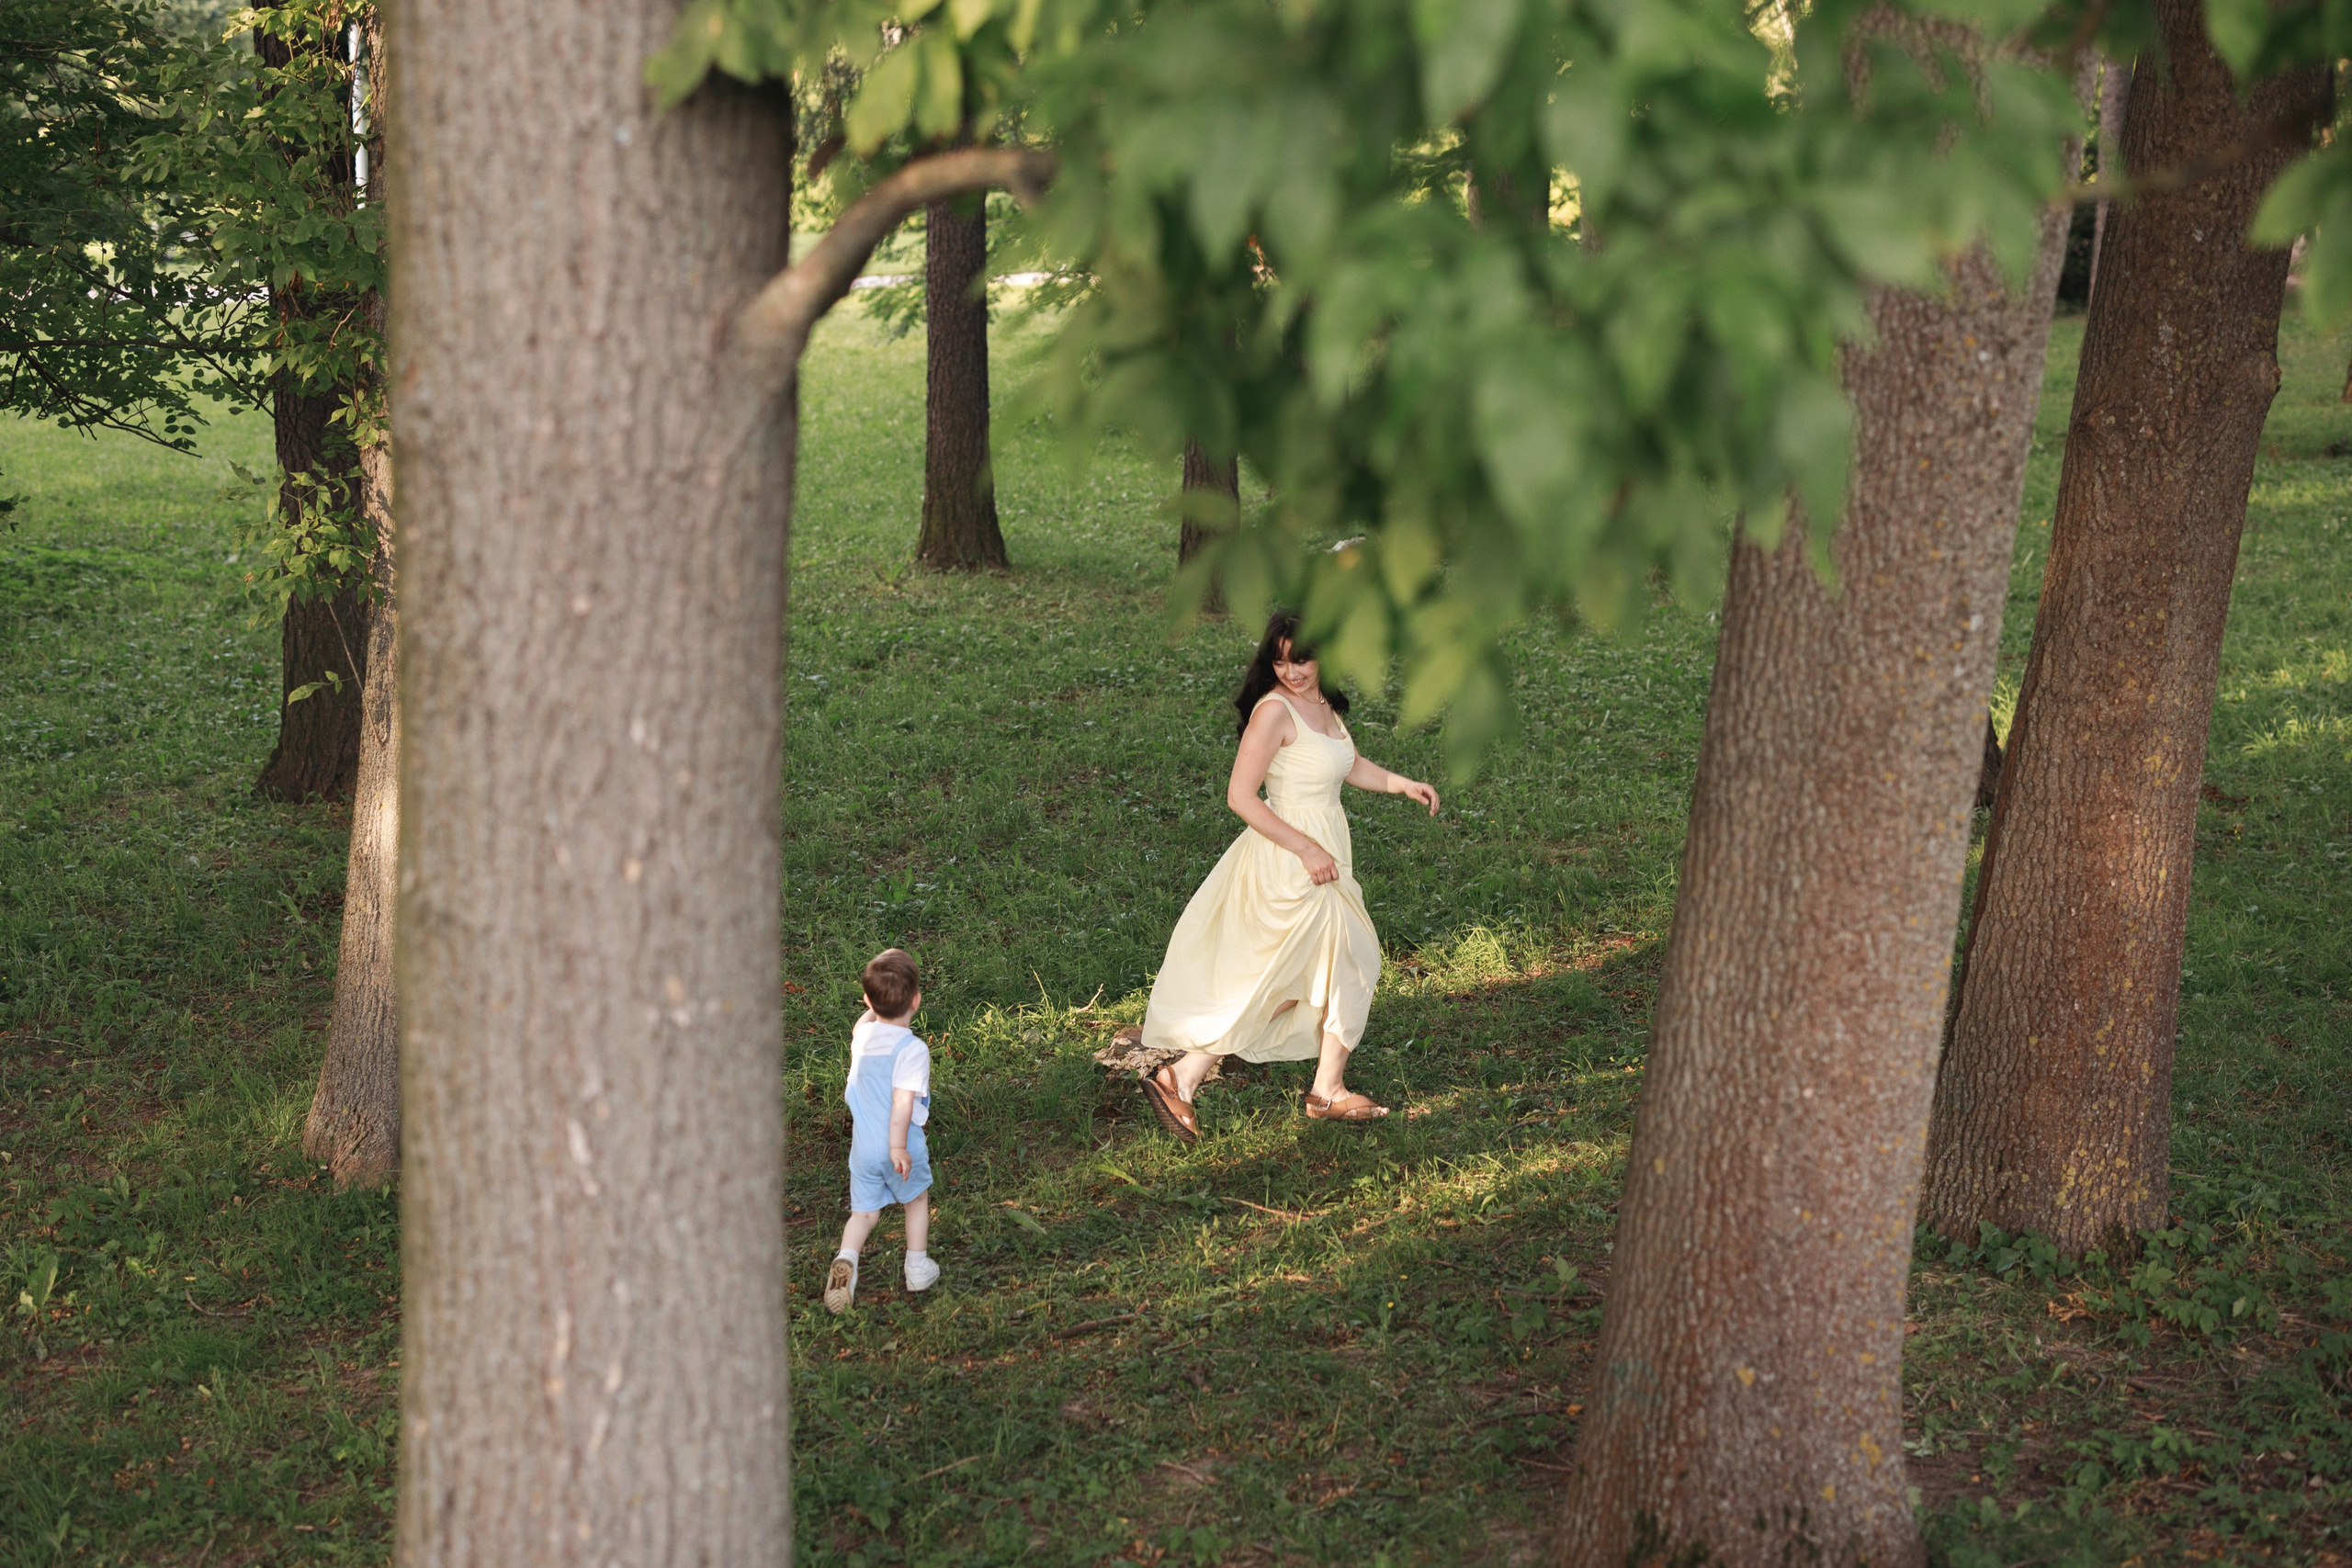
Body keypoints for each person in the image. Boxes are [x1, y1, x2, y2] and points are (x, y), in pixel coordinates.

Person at [1135, 611, 1440, 1141]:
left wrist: (1401, 784)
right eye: (1279, 660)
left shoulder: (1322, 705)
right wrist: (1305, 848)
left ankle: (1321, 1089)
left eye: (1300, 659)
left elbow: (1346, 765)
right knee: (1326, 963)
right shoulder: (1273, 711)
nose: (1291, 671)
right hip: (1291, 859)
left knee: (1322, 967)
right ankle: (1189, 1076)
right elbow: (1239, 797)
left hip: (1323, 855)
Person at [823, 948, 938, 1314]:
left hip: (862, 1149)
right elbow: (903, 1102)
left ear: (868, 1001)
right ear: (916, 1001)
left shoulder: (863, 1037)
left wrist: (874, 1004)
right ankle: (917, 1268)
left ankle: (846, 1262)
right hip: (898, 1145)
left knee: (864, 1215)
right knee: (915, 1200)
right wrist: (898, 1147)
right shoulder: (912, 1049)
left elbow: (865, 1021)